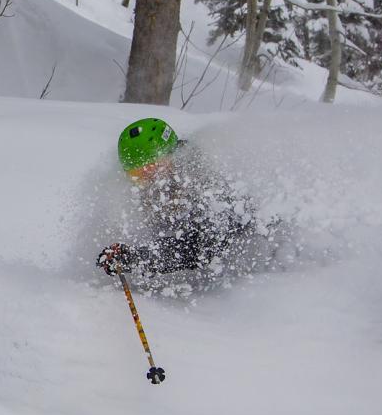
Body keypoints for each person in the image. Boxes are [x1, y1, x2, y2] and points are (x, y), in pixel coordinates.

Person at [95, 117, 261, 291]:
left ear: (173, 155)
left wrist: (137, 257)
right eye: (138, 175)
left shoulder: (203, 184)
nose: (149, 180)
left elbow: (200, 248)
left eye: (153, 168)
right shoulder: (153, 193)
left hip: (252, 276)